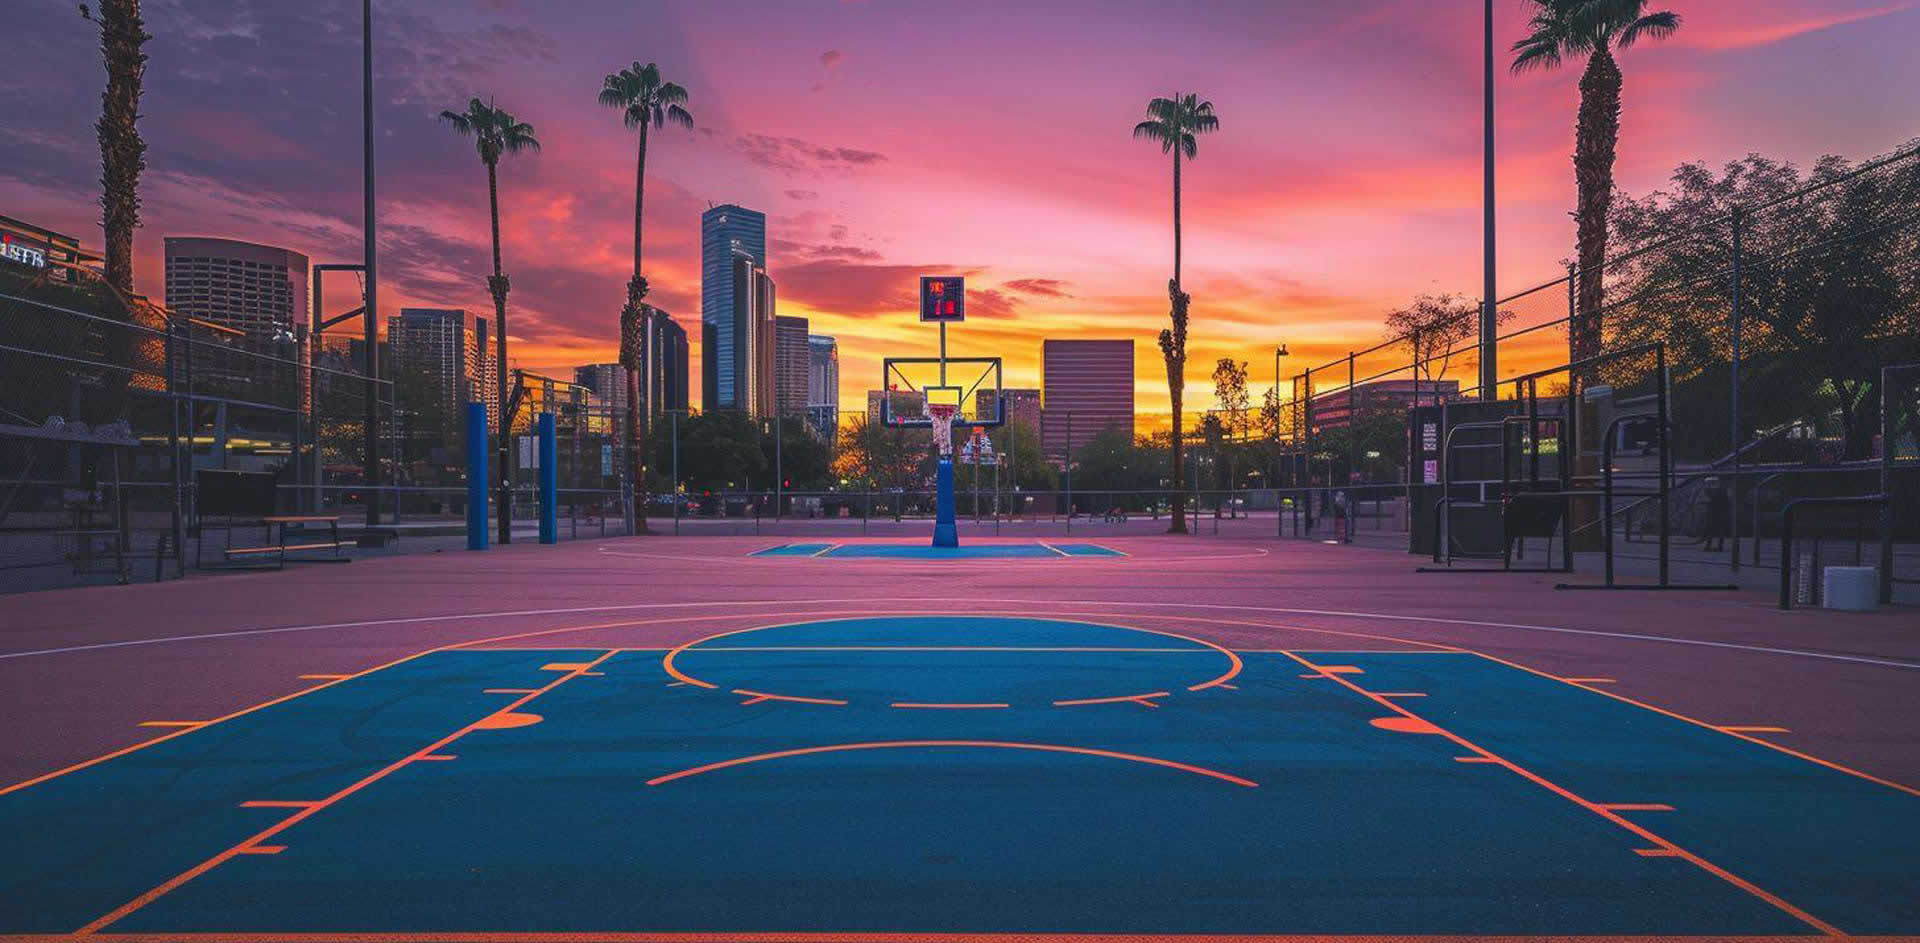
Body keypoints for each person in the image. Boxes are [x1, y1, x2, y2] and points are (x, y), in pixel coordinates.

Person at [1702, 477, 1730, 552]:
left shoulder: (1718, 491)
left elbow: (1710, 500)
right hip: (1717, 512)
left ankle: (1712, 545)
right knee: (1715, 529)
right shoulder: (1722, 490)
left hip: (1717, 512)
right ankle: (1716, 546)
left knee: (1713, 529)